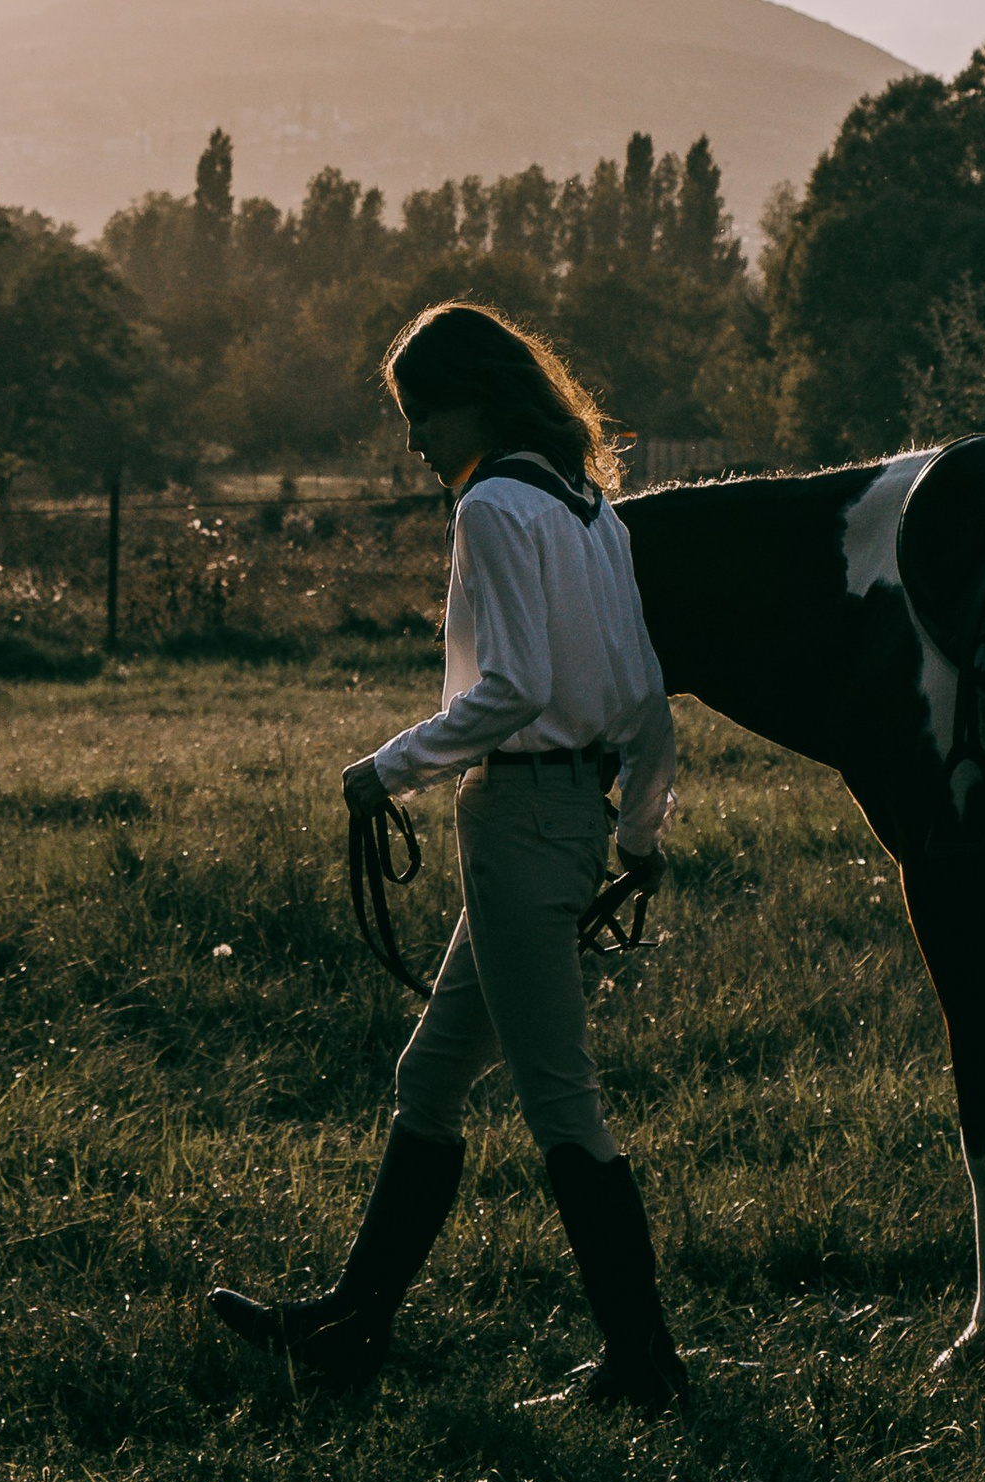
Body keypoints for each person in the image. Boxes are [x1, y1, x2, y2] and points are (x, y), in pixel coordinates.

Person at [210, 301, 686, 1412]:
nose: (415, 438)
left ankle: (643, 1363)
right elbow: (646, 695)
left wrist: (386, 770)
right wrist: (636, 836)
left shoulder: (494, 506)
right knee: (428, 1079)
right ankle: (353, 1324)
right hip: (563, 819)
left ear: (476, 399)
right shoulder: (589, 511)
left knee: (560, 1100)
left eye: (422, 412)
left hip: (521, 820)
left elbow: (513, 687)